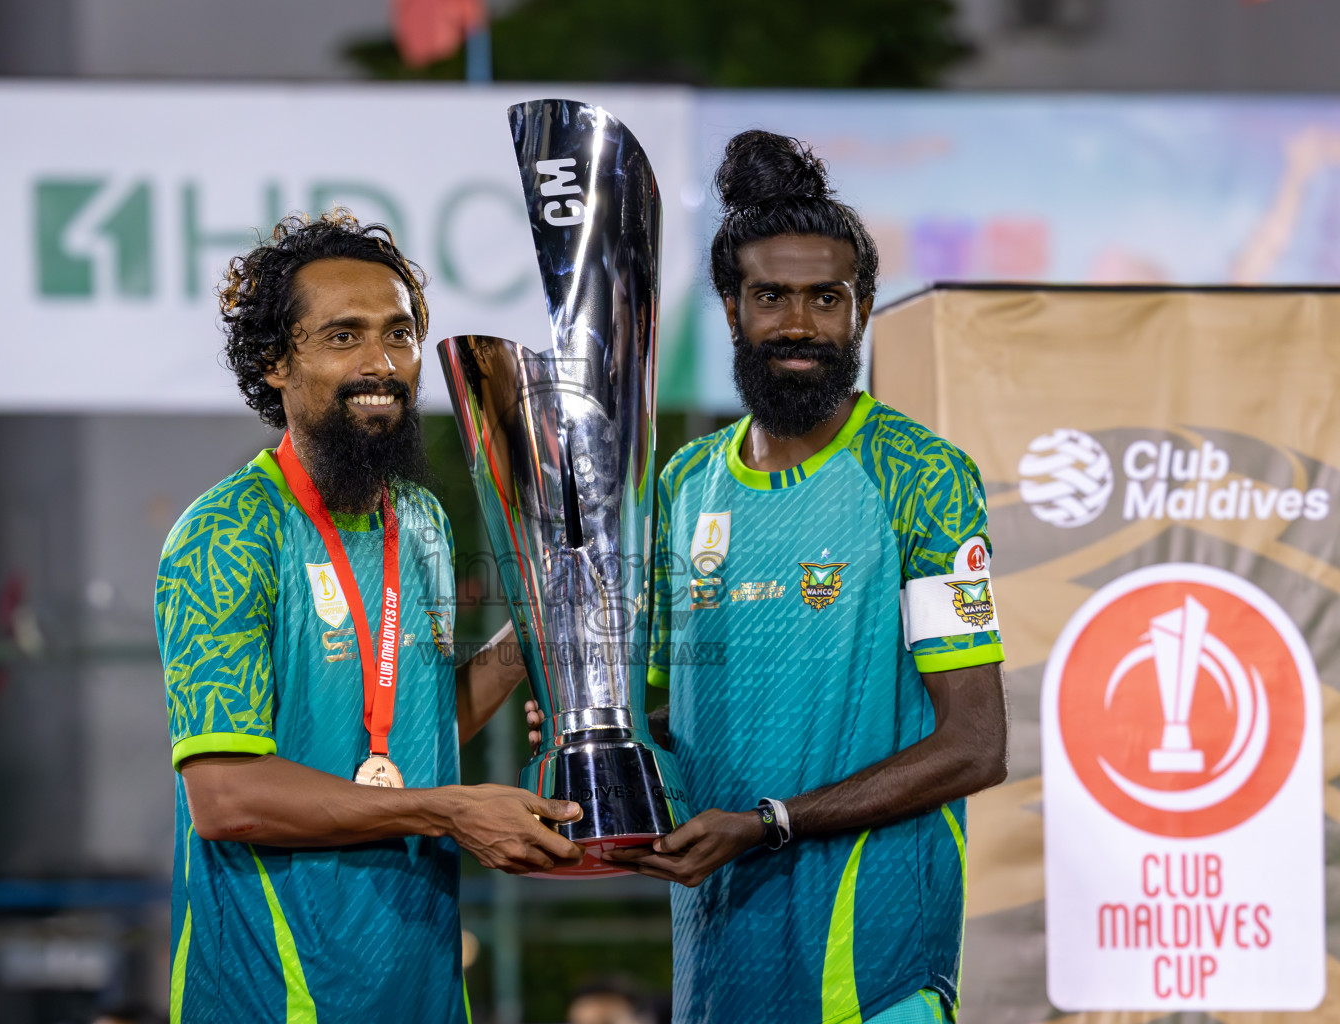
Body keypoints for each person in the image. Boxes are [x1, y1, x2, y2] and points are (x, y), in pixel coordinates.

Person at [529, 132, 1008, 1023]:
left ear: (862, 310)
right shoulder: (684, 482)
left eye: (826, 299)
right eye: (771, 297)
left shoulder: (921, 476)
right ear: (731, 307)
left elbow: (974, 744)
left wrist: (771, 822)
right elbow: (689, 716)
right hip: (719, 971)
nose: (799, 325)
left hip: (875, 974)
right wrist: (596, 727)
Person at [156, 210, 584, 1024]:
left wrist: (537, 626)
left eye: (399, 334)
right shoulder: (226, 534)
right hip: (274, 998)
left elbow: (416, 729)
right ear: (277, 362)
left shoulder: (419, 519)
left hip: (419, 988)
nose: (382, 364)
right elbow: (226, 796)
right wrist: (451, 809)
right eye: (344, 337)